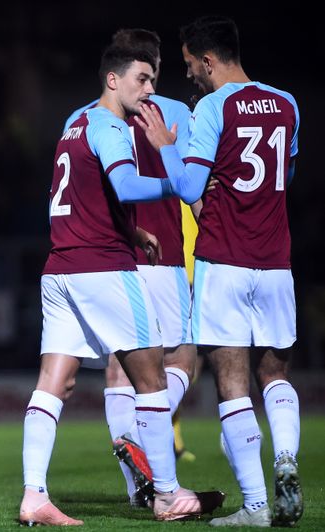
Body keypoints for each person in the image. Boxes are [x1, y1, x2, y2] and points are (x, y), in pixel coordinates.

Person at [18, 44, 206, 526]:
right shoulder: (109, 125)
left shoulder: (74, 124)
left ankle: (34, 496)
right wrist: (172, 181)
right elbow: (125, 187)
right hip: (103, 269)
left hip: (59, 266)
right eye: (141, 80)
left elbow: (80, 195)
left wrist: (131, 230)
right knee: (152, 379)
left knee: (52, 384)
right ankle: (165, 492)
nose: (149, 90)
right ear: (112, 81)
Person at [137, 15, 302, 528]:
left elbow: (189, 189)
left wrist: (166, 143)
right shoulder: (287, 103)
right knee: (274, 373)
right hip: (275, 261)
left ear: (208, 60)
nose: (189, 75)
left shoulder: (213, 107)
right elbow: (285, 175)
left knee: (232, 382)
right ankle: (287, 459)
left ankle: (255, 505)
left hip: (223, 259)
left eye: (190, 65)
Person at [64, 28, 198, 508]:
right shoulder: (177, 112)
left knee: (121, 374)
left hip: (113, 256)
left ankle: (136, 488)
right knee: (181, 360)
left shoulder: (83, 118)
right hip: (162, 256)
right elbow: (192, 183)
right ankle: (146, 440)